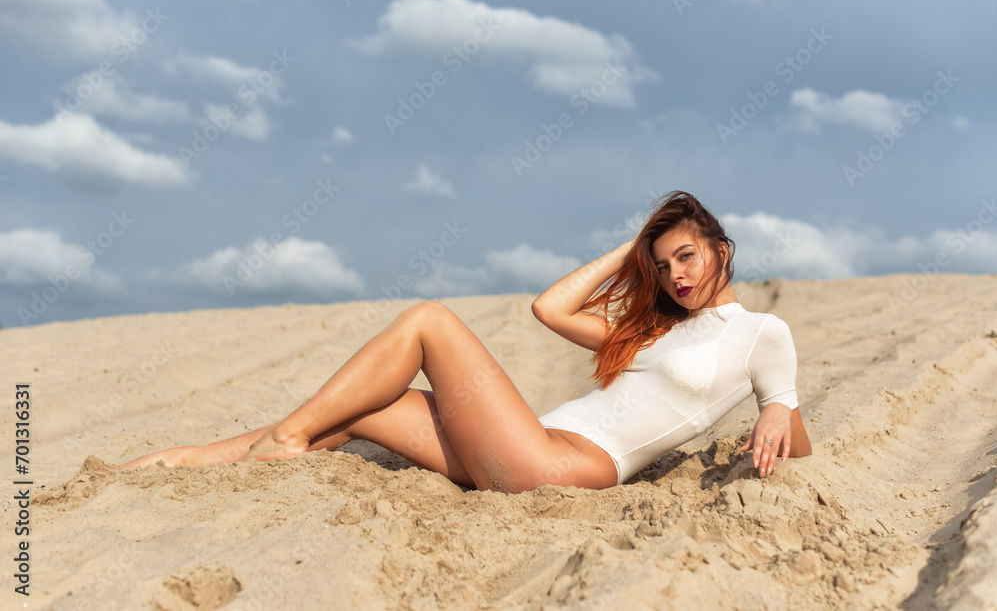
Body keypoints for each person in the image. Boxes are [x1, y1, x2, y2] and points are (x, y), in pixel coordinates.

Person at [118, 191, 811, 492]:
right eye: (661, 264)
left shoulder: (760, 332)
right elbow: (550, 307)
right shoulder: (655, 331)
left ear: (721, 249)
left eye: (686, 256)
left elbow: (794, 433)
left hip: (561, 471)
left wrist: (779, 408)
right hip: (520, 449)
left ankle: (284, 441)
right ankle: (175, 466)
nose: (674, 273)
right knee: (356, 407)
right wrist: (631, 247)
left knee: (430, 322)